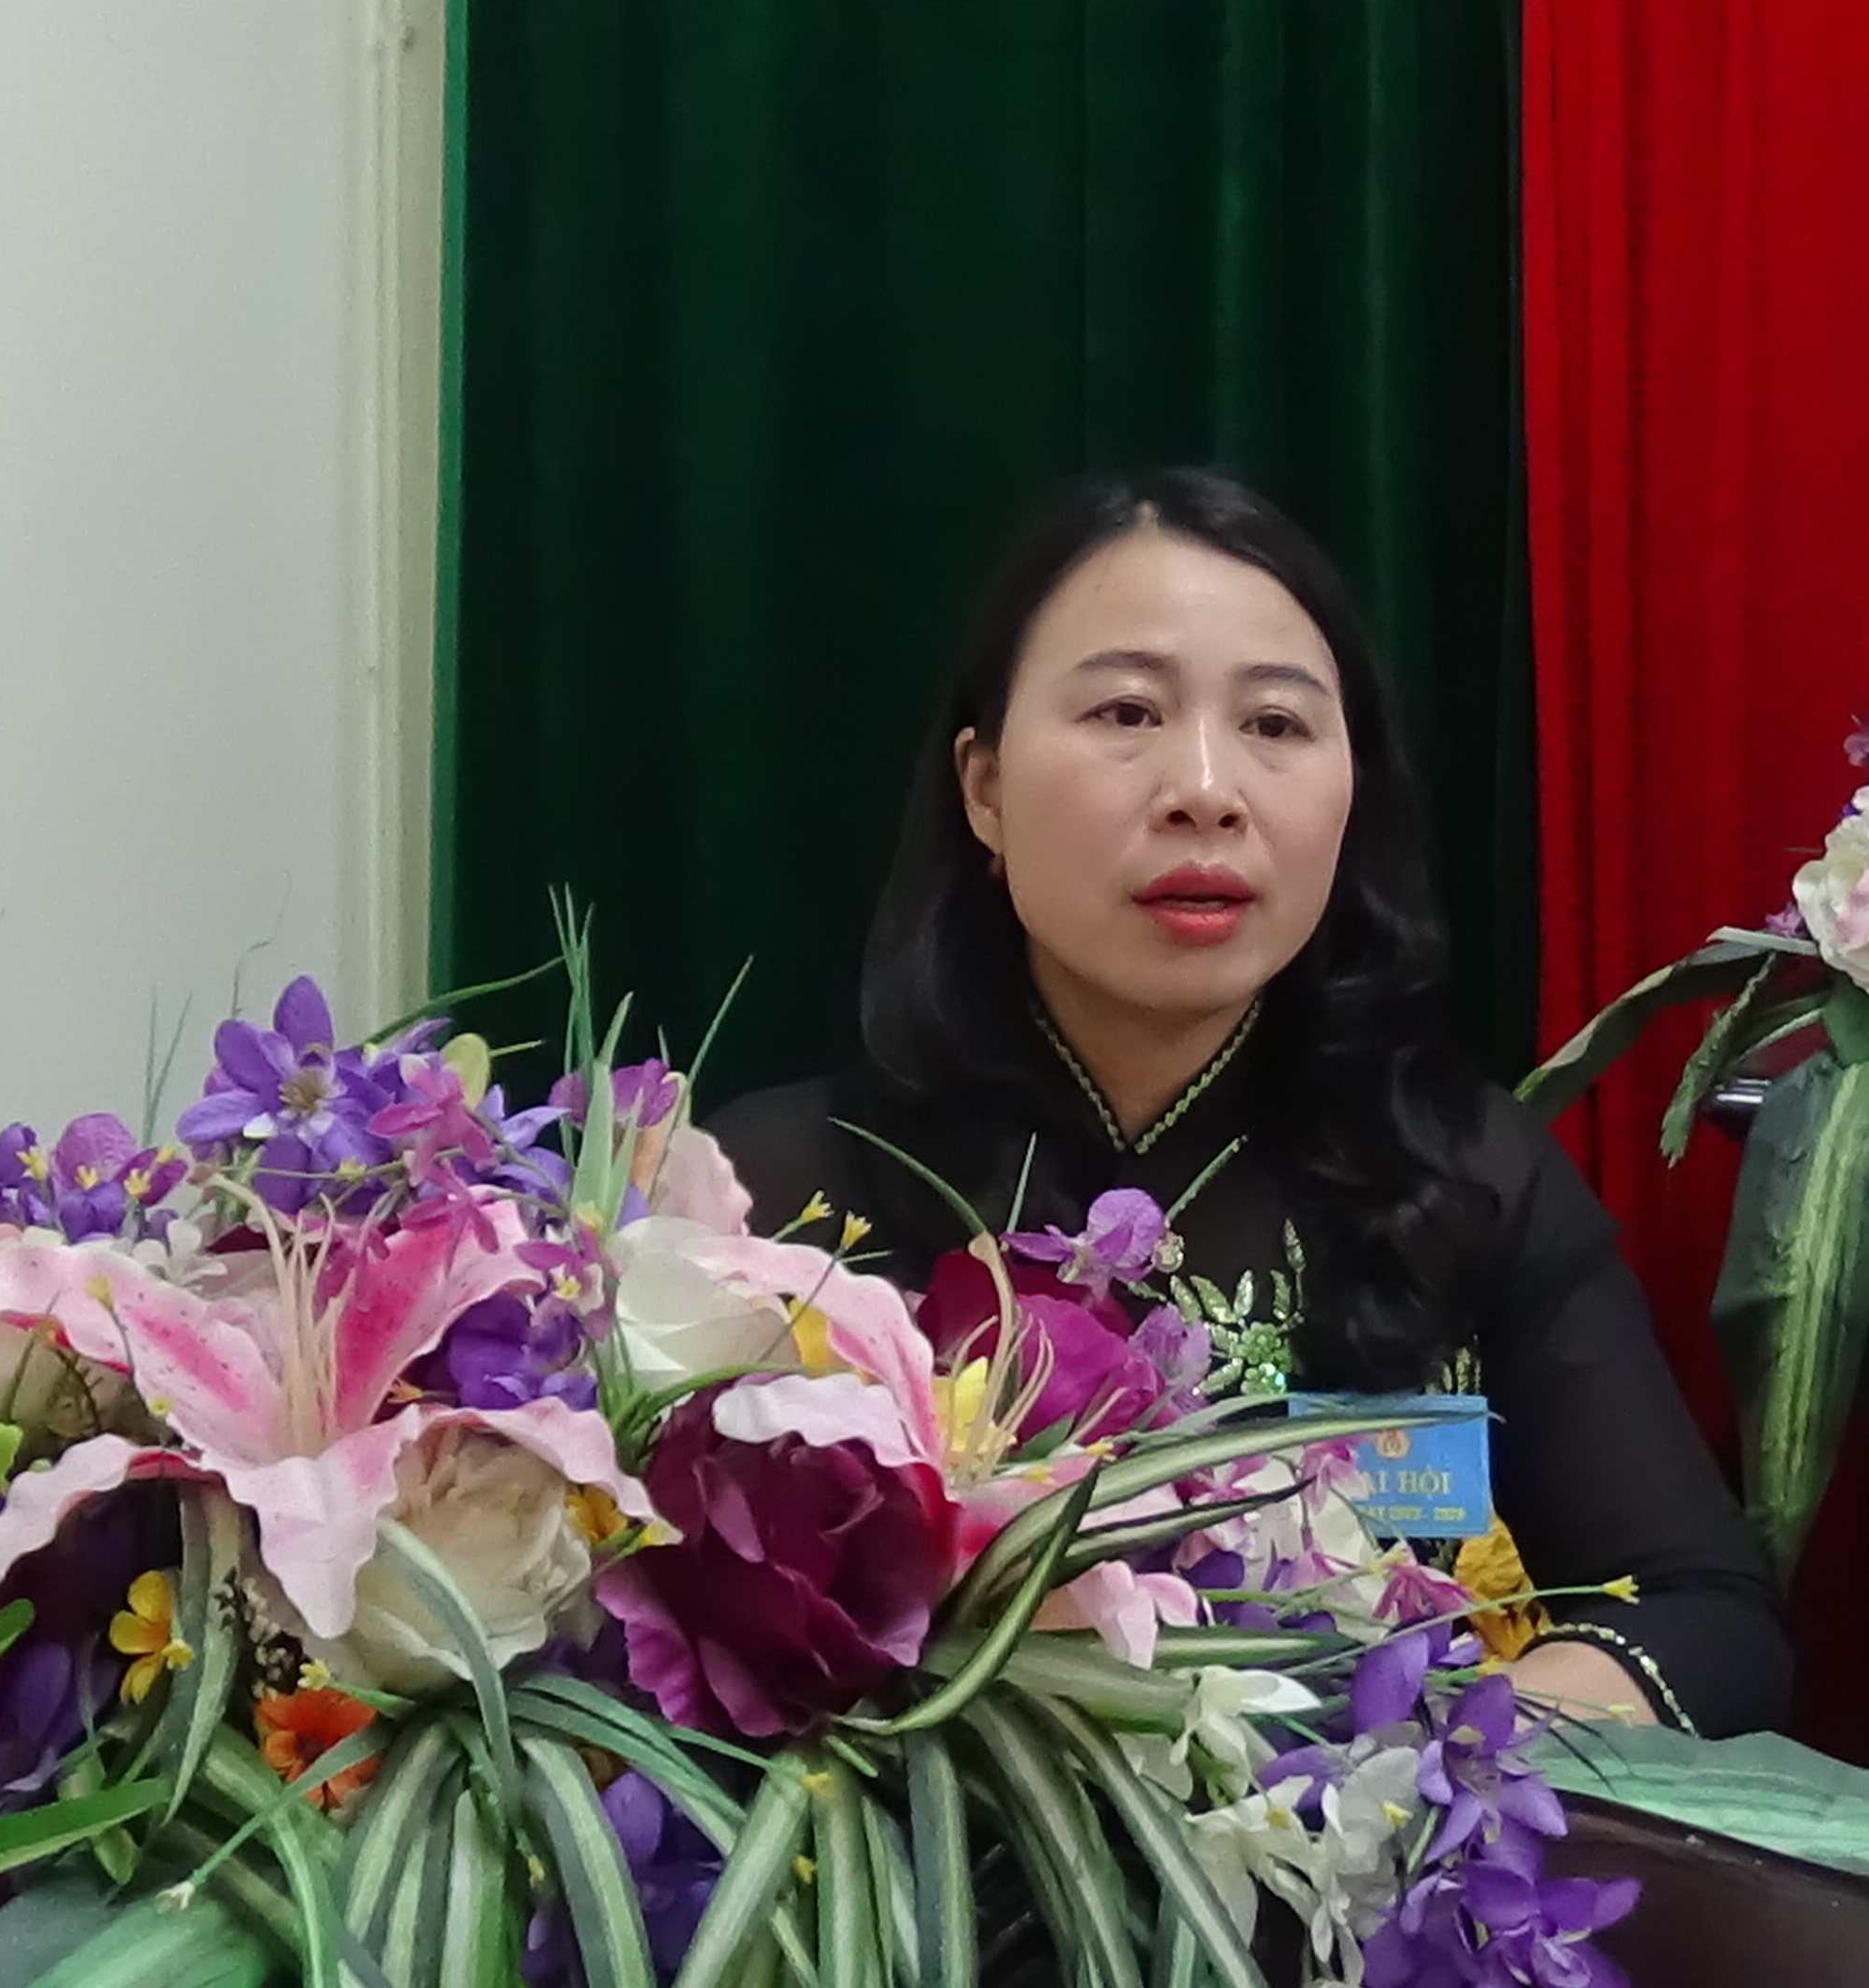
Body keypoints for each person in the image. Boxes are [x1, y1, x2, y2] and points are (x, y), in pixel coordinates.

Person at [710, 468, 1790, 1738]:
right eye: (1126, 711)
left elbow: (1707, 1618)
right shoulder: (776, 1197)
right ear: (984, 787)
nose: (1207, 789)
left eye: (1276, 724)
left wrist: (1404, 1768)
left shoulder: (1462, 1177)